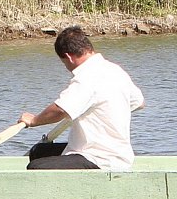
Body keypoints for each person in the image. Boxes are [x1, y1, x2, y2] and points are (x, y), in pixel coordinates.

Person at [19, 26, 146, 170]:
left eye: (64, 63)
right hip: (115, 153)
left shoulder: (87, 76)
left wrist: (34, 120)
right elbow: (139, 103)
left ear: (68, 57)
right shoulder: (115, 70)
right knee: (40, 152)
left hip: (100, 158)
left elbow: (60, 110)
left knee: (36, 167)